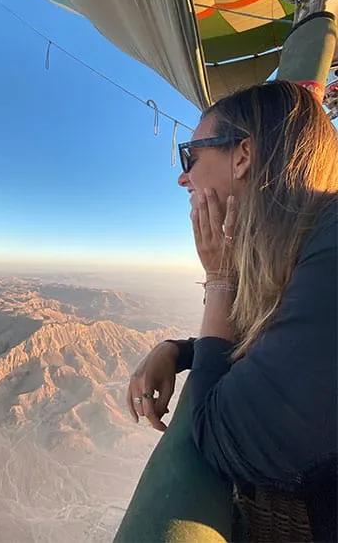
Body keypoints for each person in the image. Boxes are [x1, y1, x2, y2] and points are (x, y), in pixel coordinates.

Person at [126, 80, 337, 541]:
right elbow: (293, 342)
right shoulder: (315, 243)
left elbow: (222, 433)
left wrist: (220, 279)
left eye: (191, 155)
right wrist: (181, 351)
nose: (183, 178)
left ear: (242, 155)